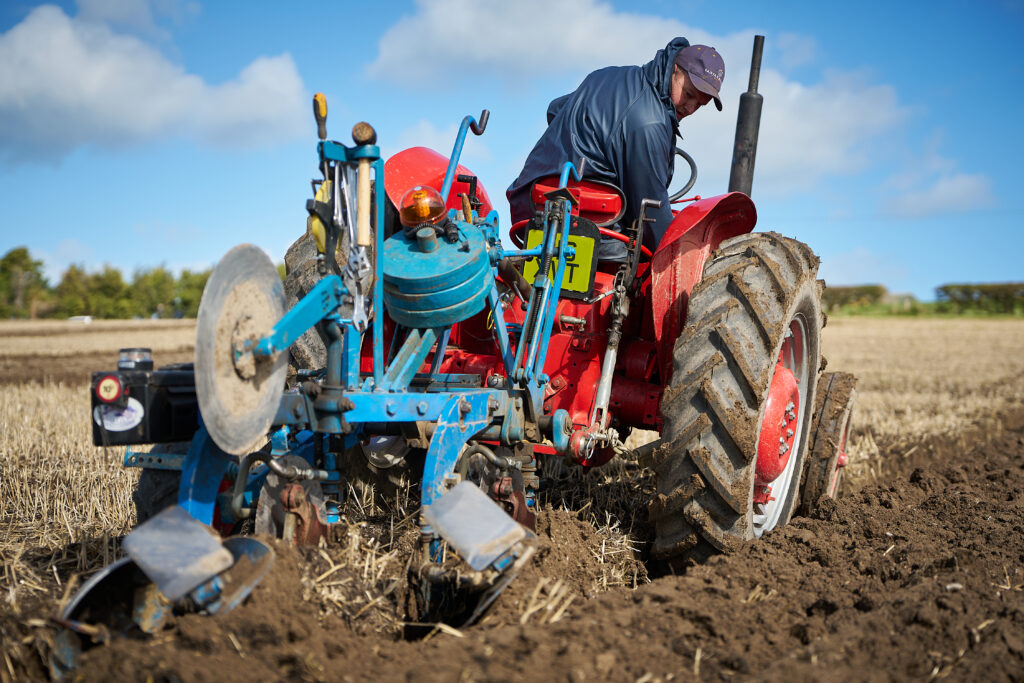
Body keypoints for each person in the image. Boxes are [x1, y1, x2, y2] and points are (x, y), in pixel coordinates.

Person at [507, 38, 725, 260]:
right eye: (688, 94)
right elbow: (650, 210)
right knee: (649, 261)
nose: (690, 108)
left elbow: (555, 109)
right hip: (597, 232)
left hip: (531, 205)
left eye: (700, 104)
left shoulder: (605, 76)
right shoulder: (651, 123)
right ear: (675, 70)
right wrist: (672, 255)